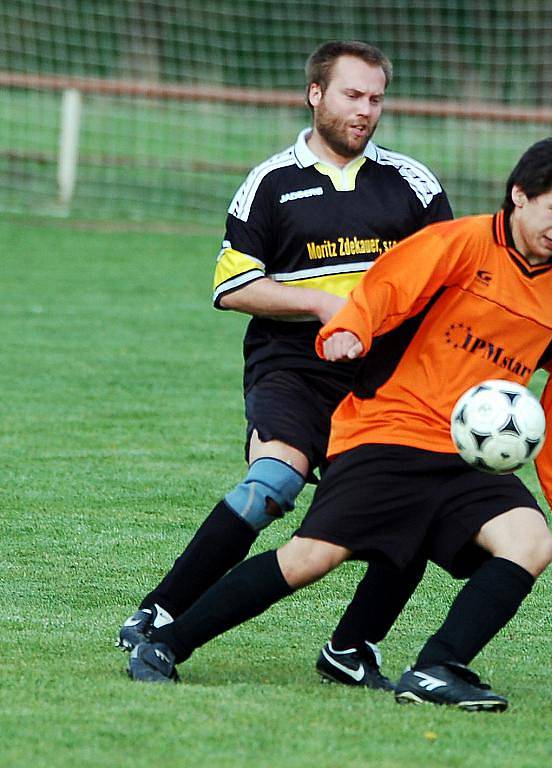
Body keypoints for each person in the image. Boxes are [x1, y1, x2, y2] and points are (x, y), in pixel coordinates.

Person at [127, 135, 552, 713]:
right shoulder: (458, 244)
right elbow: (386, 285)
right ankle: (165, 644)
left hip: (464, 454)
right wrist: (351, 327)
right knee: (311, 558)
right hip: (391, 429)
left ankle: (436, 667)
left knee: (530, 542)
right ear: (520, 196)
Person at [117, 40, 453, 690]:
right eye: (353, 95)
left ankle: (352, 648)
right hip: (293, 367)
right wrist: (324, 305)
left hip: (386, 381)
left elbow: (452, 280)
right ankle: (157, 612)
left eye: (376, 97)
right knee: (271, 483)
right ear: (316, 94)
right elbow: (231, 286)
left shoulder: (413, 184)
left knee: (417, 505)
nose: (366, 110)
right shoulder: (272, 182)